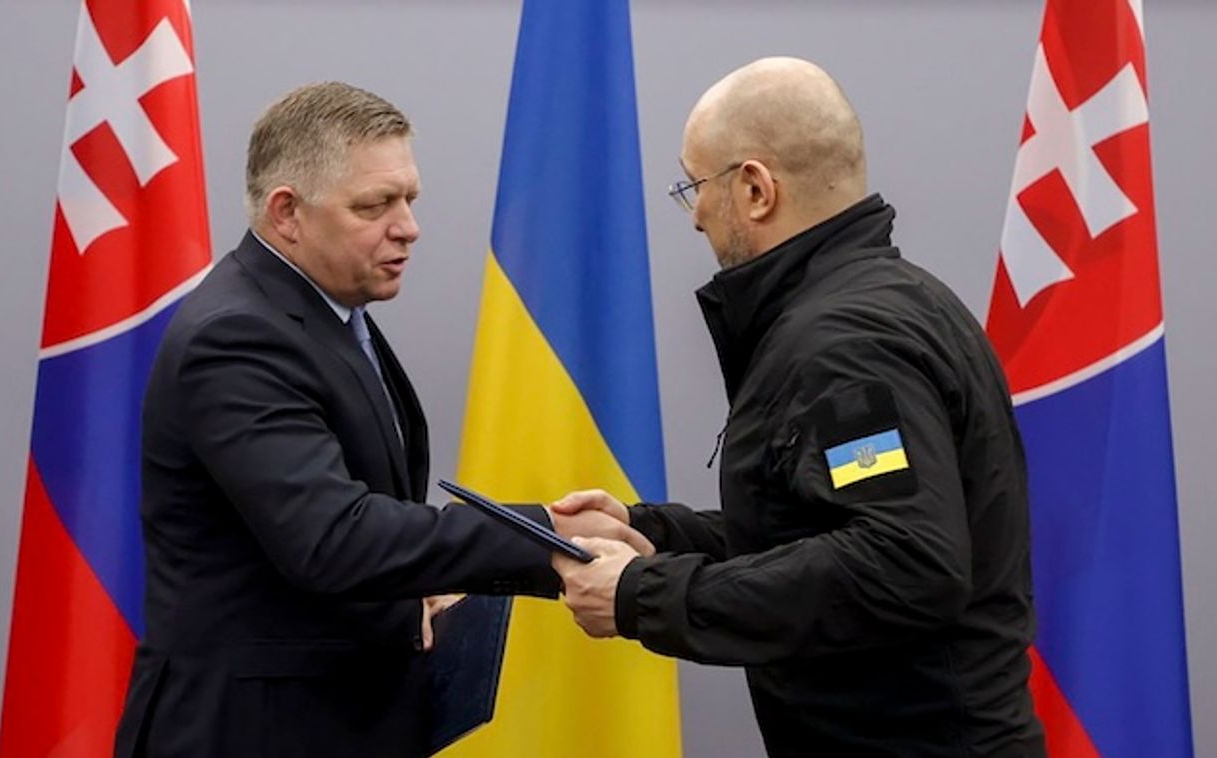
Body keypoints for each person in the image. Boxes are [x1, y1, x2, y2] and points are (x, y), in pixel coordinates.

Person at [114, 82, 651, 758]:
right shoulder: (236, 336)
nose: (407, 227)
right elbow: (332, 537)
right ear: (287, 213)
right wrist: (545, 536)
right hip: (252, 730)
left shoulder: (326, 312)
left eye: (409, 199)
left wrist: (411, 595)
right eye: (375, 205)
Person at [552, 58, 1046, 757]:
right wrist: (651, 533)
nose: (694, 216)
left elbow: (903, 561)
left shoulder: (846, 346)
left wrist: (646, 596)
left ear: (755, 189)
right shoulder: (897, 303)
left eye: (694, 186)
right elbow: (818, 530)